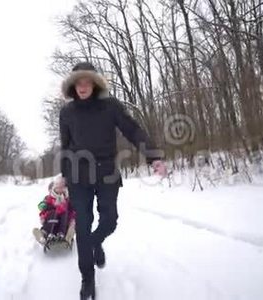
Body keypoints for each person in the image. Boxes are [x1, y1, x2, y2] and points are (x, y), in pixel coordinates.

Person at [58, 62, 167, 299]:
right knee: (83, 226)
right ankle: (87, 278)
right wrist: (63, 176)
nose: (83, 87)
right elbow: (65, 146)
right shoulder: (66, 112)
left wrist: (153, 157)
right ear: (73, 85)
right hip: (78, 175)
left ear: (94, 83)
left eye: (87, 81)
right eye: (78, 82)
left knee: (110, 221)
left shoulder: (110, 106)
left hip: (106, 171)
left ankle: (96, 243)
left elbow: (133, 130)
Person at [34, 177, 76, 244]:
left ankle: (67, 238)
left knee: (66, 216)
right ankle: (43, 237)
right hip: (50, 224)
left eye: (61, 188)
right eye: (57, 188)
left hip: (63, 226)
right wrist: (43, 216)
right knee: (53, 212)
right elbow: (43, 209)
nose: (59, 190)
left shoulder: (67, 199)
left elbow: (72, 211)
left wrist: (72, 220)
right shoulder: (48, 198)